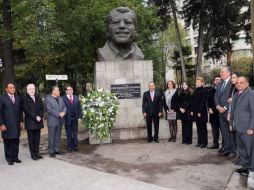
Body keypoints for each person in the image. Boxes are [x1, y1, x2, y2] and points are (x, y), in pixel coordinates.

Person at [230, 77, 254, 179]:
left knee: (250, 150)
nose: (239, 84)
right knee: (241, 149)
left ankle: (251, 168)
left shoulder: (251, 94)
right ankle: (245, 166)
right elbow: (233, 111)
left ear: (247, 84)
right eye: (237, 83)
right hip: (238, 127)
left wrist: (251, 127)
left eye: (241, 83)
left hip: (247, 128)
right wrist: (231, 124)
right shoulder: (236, 94)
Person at [214, 67, 235, 158]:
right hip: (220, 112)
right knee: (224, 131)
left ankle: (233, 151)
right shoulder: (220, 83)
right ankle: (226, 149)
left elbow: (232, 97)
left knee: (231, 131)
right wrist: (218, 106)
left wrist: (225, 107)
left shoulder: (233, 83)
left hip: (229, 111)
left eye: (222, 72)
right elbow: (216, 96)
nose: (220, 73)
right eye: (220, 72)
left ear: (228, 73)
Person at [0, 83, 23, 165]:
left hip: (16, 124)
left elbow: (20, 111)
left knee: (16, 142)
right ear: (6, 89)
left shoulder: (18, 97)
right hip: (7, 125)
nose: (13, 89)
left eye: (13, 87)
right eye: (10, 88)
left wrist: (21, 121)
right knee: (8, 143)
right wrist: (1, 124)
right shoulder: (2, 98)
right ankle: (9, 159)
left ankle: (15, 157)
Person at [22, 84, 44, 160]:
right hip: (30, 122)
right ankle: (33, 155)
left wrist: (40, 116)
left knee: (37, 139)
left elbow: (42, 108)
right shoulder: (24, 98)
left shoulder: (38, 97)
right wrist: (35, 117)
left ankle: (37, 153)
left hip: (38, 122)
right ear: (27, 90)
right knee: (31, 140)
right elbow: (26, 110)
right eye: (30, 89)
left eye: (33, 89)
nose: (32, 90)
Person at [45, 86, 67, 157]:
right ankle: (51, 150)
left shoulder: (60, 98)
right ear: (53, 91)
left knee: (58, 136)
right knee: (51, 136)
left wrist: (63, 112)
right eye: (57, 90)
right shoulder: (48, 99)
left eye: (59, 90)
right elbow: (49, 109)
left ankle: (56, 149)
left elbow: (65, 107)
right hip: (52, 121)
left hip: (60, 121)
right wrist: (58, 114)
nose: (59, 92)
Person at [62, 85, 82, 152]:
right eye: (68, 89)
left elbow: (79, 108)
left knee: (75, 133)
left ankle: (75, 146)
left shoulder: (76, 98)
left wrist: (79, 117)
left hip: (75, 118)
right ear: (66, 91)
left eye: (71, 89)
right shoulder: (63, 98)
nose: (70, 91)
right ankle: (69, 146)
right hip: (67, 118)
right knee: (68, 133)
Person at [190, 77, 208, 148]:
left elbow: (203, 102)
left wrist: (199, 111)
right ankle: (199, 142)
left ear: (202, 83)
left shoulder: (204, 90)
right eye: (196, 82)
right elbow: (193, 101)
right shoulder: (195, 90)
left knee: (203, 127)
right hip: (195, 111)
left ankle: (204, 143)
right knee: (198, 127)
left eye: (199, 82)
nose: (197, 83)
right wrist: (192, 111)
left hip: (202, 112)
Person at [207, 76, 221, 149]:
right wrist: (209, 109)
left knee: (223, 131)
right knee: (214, 131)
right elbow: (208, 101)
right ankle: (215, 144)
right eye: (216, 80)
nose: (218, 81)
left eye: (219, 79)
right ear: (214, 81)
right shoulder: (211, 90)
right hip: (213, 113)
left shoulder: (223, 89)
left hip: (221, 113)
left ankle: (224, 145)